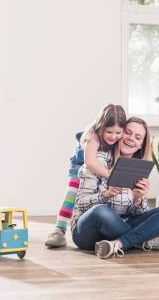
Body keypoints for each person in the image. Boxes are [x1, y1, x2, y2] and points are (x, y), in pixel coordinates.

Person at [71, 117, 159, 259]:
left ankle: (118, 244)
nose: (131, 138)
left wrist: (138, 198)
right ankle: (141, 241)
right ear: (120, 134)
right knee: (101, 211)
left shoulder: (139, 170)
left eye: (138, 137)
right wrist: (106, 195)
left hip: (120, 226)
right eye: (128, 132)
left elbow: (138, 214)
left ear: (141, 145)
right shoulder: (98, 161)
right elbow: (81, 203)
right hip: (87, 232)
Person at [45, 104, 126, 248]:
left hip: (103, 161)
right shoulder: (92, 134)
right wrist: (111, 176)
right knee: (72, 194)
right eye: (109, 132)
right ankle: (59, 230)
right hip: (81, 163)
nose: (114, 136)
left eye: (118, 133)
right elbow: (90, 162)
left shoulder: (118, 137)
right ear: (101, 127)